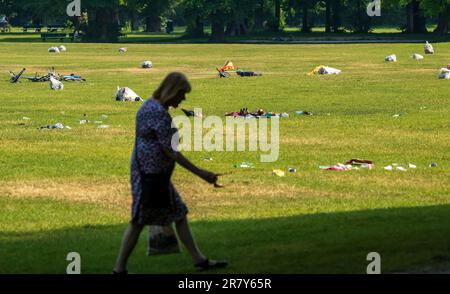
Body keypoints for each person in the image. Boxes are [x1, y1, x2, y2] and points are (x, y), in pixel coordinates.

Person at [113, 72, 228, 274]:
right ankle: (119, 268)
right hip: (149, 176)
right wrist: (201, 173)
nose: (183, 99)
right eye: (182, 94)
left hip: (157, 175)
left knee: (179, 213)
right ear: (172, 91)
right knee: (139, 220)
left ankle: (199, 260)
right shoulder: (156, 111)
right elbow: (171, 151)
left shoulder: (150, 106)